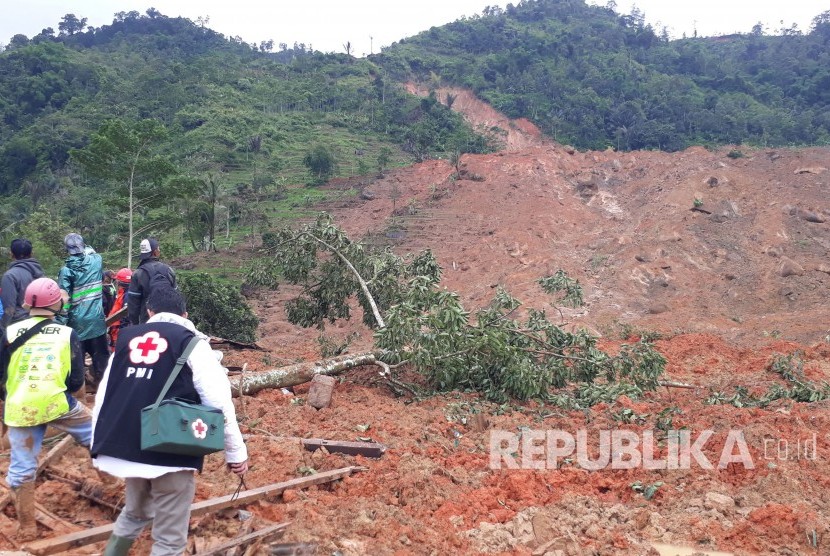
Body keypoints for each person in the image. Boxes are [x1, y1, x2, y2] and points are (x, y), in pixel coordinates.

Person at [92, 287, 247, 556]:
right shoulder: (193, 343)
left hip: (127, 445)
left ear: (150, 312)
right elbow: (219, 402)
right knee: (169, 540)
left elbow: (105, 394)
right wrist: (235, 452)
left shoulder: (126, 339)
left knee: (134, 514)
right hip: (171, 448)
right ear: (185, 314)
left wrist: (99, 442)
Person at [1, 278, 91, 541]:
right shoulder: (67, 334)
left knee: (21, 467)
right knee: (97, 436)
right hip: (56, 403)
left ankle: (27, 527)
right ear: (57, 303)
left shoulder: (9, 333)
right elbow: (75, 381)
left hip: (19, 407)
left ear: (27, 303)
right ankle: (109, 484)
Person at [57, 233, 109, 384]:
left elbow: (64, 301)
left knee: (77, 364)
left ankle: (80, 397)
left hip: (76, 324)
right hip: (97, 321)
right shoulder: (96, 260)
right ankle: (105, 393)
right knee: (102, 360)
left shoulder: (66, 270)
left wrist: (60, 323)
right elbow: (92, 252)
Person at [127, 238, 176, 326]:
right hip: (169, 321)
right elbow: (176, 296)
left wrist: (135, 324)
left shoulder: (137, 274)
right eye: (158, 249)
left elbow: (133, 305)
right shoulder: (169, 270)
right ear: (154, 252)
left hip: (147, 322)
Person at [0, 238, 45, 330]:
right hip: (41, 323)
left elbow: (9, 309)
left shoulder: (10, 276)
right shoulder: (40, 273)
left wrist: (3, 329)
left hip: (19, 326)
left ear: (11, 254)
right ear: (32, 253)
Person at [107, 267, 132, 351]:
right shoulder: (123, 293)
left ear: (119, 282)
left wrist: (122, 335)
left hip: (120, 333)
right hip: (116, 331)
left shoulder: (127, 295)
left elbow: (125, 317)